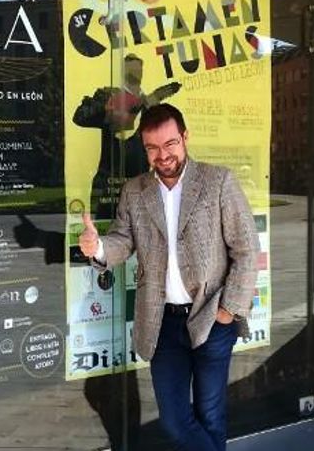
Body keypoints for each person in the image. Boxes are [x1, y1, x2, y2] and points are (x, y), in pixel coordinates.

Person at [78, 103, 259, 451]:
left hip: (211, 317)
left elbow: (246, 249)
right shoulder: (135, 191)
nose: (163, 155)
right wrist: (98, 246)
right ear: (144, 148)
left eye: (170, 144)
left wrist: (228, 311)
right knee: (175, 422)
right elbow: (123, 241)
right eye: (152, 148)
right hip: (162, 323)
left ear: (185, 137)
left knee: (210, 415)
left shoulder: (218, 181)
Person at [73, 54, 182, 218]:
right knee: (107, 235)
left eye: (139, 68)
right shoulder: (109, 96)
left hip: (140, 186)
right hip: (110, 186)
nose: (136, 73)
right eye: (131, 68)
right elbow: (80, 118)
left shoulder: (151, 106)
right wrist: (111, 107)